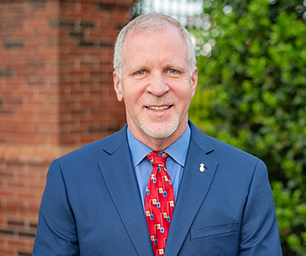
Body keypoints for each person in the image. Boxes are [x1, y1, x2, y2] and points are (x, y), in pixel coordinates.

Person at [32, 13, 282, 256]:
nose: (158, 88)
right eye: (141, 72)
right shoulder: (69, 178)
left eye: (172, 70)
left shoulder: (246, 176)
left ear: (193, 81)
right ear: (118, 84)